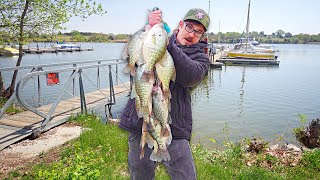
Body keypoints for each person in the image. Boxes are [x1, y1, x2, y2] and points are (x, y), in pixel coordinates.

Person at [119, 8, 210, 180]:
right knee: (140, 173)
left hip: (173, 127)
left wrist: (166, 44)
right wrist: (150, 28)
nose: (192, 34)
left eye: (198, 32)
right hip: (142, 120)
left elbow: (191, 76)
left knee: (186, 176)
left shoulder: (201, 58)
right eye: (190, 27)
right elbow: (133, 53)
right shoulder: (155, 39)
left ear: (202, 36)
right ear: (181, 25)